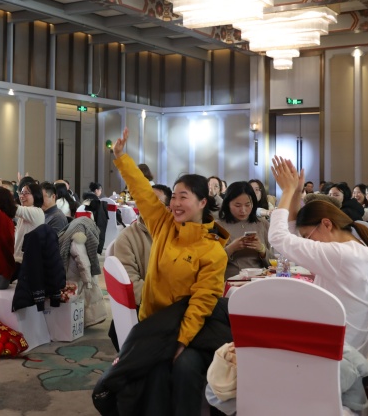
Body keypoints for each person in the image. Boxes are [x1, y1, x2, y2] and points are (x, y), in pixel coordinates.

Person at [111, 127, 228, 416]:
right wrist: (121, 158)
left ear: (202, 202)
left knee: (185, 366)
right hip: (155, 325)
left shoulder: (212, 250)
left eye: (183, 197)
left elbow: (202, 303)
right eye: (173, 196)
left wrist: (180, 342)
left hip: (191, 330)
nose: (175, 203)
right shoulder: (163, 226)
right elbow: (142, 193)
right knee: (149, 372)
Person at [270, 156, 368, 361]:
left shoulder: (340, 255)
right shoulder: (356, 248)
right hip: (349, 353)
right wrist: (296, 192)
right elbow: (292, 234)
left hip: (337, 358)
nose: (307, 243)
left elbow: (278, 237)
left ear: (327, 224)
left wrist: (286, 191)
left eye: (308, 237)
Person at [215, 181, 271, 279]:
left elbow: (274, 263)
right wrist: (231, 249)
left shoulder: (262, 224)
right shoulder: (218, 226)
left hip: (260, 279)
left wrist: (262, 250)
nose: (243, 210)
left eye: (248, 205)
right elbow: (212, 262)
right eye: (237, 205)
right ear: (227, 204)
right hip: (231, 280)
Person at [11, 177, 45, 263]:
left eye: (26, 193)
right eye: (21, 193)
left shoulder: (36, 212)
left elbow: (12, 207)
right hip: (17, 259)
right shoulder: (26, 212)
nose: (21, 196)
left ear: (36, 195)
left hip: (26, 261)